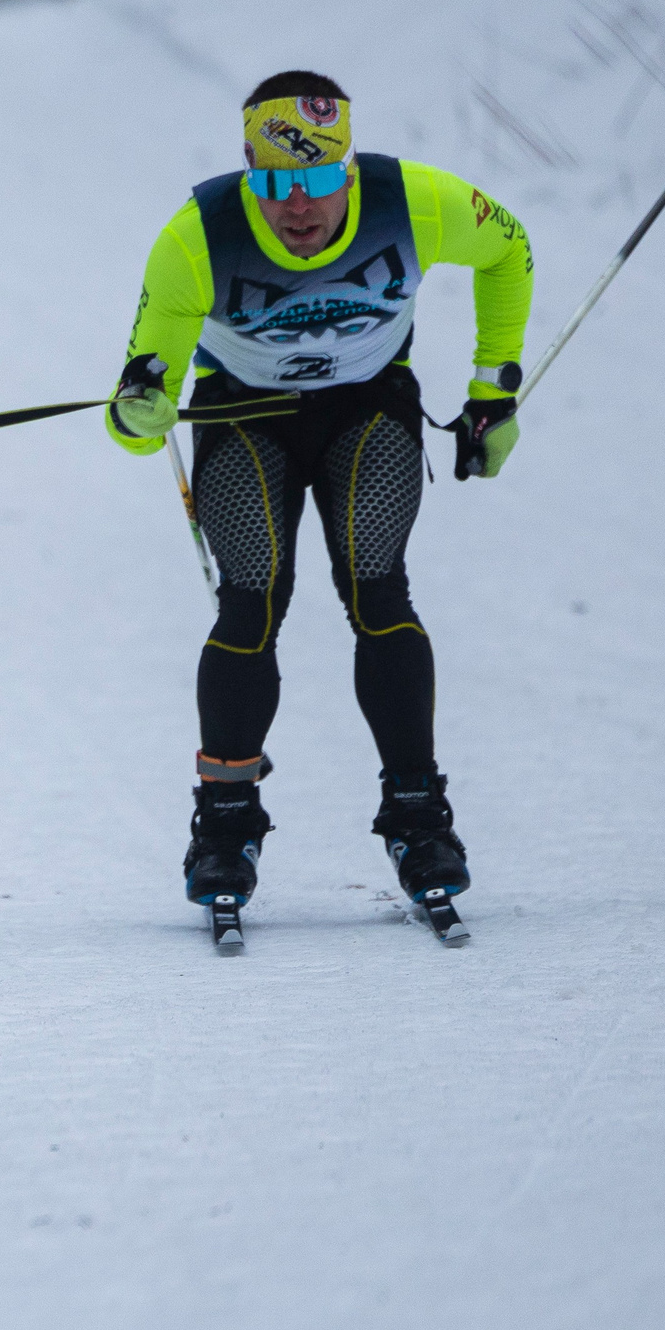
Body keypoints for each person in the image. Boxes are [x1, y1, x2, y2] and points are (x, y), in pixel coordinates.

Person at [106, 71, 531, 916]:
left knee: (377, 586)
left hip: (366, 408)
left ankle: (420, 816)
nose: (298, 207)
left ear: (349, 171)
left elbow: (507, 249)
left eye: (318, 183)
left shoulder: (417, 202)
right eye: (273, 186)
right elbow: (136, 414)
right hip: (244, 416)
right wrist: (139, 413)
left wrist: (493, 391)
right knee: (252, 599)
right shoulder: (198, 237)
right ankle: (225, 823)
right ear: (248, 177)